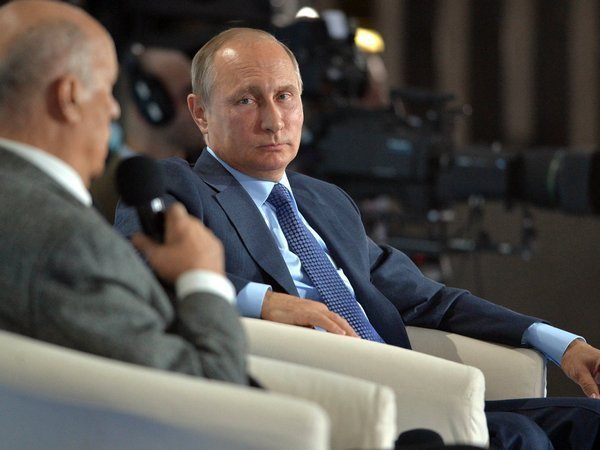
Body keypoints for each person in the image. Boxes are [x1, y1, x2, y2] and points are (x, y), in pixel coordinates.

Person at [114, 27, 600, 449]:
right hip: (323, 403)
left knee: (589, 420)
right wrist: (266, 302)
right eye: (246, 99)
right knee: (519, 437)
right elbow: (139, 271)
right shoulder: (177, 186)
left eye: (285, 96)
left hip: (410, 388)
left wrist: (559, 344)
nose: (273, 120)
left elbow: (430, 299)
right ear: (200, 113)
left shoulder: (327, 201)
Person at [0, 0, 248, 385]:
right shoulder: (70, 245)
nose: (114, 110)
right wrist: (202, 277)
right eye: (106, 89)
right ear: (68, 97)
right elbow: (213, 392)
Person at [90, 45, 202, 223]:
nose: (204, 107)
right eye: (186, 95)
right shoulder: (101, 204)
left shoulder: (210, 175)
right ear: (151, 108)